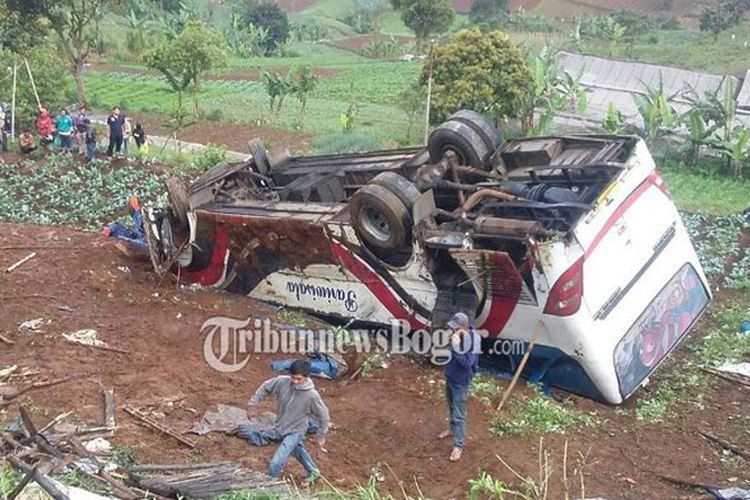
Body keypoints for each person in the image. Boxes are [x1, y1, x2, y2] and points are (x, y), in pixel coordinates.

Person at [246, 359, 330, 482]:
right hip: (281, 427)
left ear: (307, 377)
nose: (295, 382)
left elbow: (324, 416)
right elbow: (264, 388)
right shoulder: (282, 382)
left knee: (275, 463)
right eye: (293, 377)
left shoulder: (312, 396)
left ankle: (268, 487)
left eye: (299, 379)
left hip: (296, 431)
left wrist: (321, 435)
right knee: (298, 450)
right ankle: (314, 472)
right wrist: (252, 406)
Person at [438, 312, 481, 462]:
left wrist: (456, 347)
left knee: (459, 413)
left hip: (461, 381)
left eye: (456, 329)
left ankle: (458, 445)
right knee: (451, 405)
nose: (453, 331)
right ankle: (451, 429)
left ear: (464, 326)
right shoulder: (460, 335)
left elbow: (467, 363)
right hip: (451, 376)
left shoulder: (474, 340)